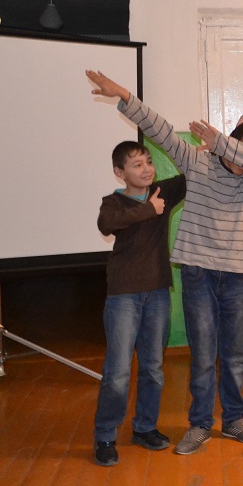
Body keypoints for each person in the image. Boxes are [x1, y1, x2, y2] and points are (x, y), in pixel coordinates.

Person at [86, 70, 243, 455]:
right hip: (198, 273)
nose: (242, 161)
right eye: (239, 150)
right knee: (202, 355)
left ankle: (234, 420)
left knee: (235, 355)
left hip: (238, 274)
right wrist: (124, 95)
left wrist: (223, 142)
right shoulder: (197, 164)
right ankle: (200, 423)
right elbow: (161, 131)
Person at [93, 141, 186, 466]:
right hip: (123, 295)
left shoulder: (162, 192)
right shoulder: (113, 202)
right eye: (137, 165)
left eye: (148, 162)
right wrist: (148, 210)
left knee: (153, 368)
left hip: (157, 292)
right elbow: (106, 224)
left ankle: (145, 428)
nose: (147, 169)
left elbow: (192, 174)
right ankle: (105, 436)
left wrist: (215, 146)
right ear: (120, 172)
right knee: (118, 371)